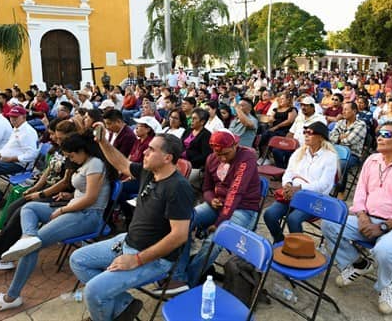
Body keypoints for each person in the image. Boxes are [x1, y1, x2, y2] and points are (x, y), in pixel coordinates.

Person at [0, 133, 116, 313]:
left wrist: (63, 209)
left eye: (71, 156)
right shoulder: (85, 162)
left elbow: (91, 199)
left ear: (82, 150)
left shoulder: (95, 164)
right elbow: (85, 192)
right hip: (74, 207)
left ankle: (11, 297)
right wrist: (70, 197)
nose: (71, 160)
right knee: (29, 208)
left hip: (87, 215)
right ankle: (28, 235)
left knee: (31, 248)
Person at [70, 132, 193, 321]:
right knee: (77, 259)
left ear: (167, 158)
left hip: (154, 259)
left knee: (93, 292)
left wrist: (137, 259)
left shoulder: (178, 187)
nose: (145, 152)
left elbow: (179, 236)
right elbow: (121, 164)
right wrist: (102, 141)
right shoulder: (149, 171)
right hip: (127, 242)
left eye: (151, 149)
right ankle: (123, 305)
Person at [323, 121, 392, 315]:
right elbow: (360, 193)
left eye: (386, 134)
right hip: (368, 218)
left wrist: (384, 227)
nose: (379, 137)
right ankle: (360, 264)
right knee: (329, 224)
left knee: (384, 250)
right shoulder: (372, 160)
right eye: (379, 133)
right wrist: (362, 217)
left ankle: (388, 282)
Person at [0, 119, 78, 270]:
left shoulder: (73, 152)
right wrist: (35, 188)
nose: (55, 139)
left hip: (59, 195)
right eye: (55, 136)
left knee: (21, 212)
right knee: (12, 208)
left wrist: (40, 194)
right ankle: (0, 251)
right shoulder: (58, 149)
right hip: (47, 189)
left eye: (60, 137)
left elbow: (65, 183)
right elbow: (48, 171)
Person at [173, 129, 260, 288]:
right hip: (218, 204)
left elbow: (236, 192)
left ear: (235, 145)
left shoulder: (247, 157)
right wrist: (211, 199)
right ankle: (179, 276)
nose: (222, 158)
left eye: (226, 153)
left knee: (214, 240)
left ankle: (189, 281)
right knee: (183, 222)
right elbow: (206, 188)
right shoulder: (212, 159)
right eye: (218, 154)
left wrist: (219, 223)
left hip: (243, 207)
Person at [263, 122, 338, 243]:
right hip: (292, 194)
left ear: (321, 137)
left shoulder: (330, 157)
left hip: (315, 198)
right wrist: (287, 185)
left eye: (310, 133)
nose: (306, 135)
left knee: (293, 219)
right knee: (269, 215)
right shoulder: (300, 152)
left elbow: (324, 184)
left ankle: (300, 249)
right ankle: (280, 242)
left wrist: (299, 188)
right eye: (305, 132)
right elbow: (289, 172)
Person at [329, 102, 368, 195]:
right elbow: (331, 137)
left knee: (341, 164)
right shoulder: (340, 122)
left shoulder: (361, 124)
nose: (343, 112)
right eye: (343, 109)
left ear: (354, 111)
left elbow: (350, 141)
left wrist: (339, 139)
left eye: (346, 109)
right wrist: (340, 138)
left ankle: (340, 191)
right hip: (336, 151)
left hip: (353, 154)